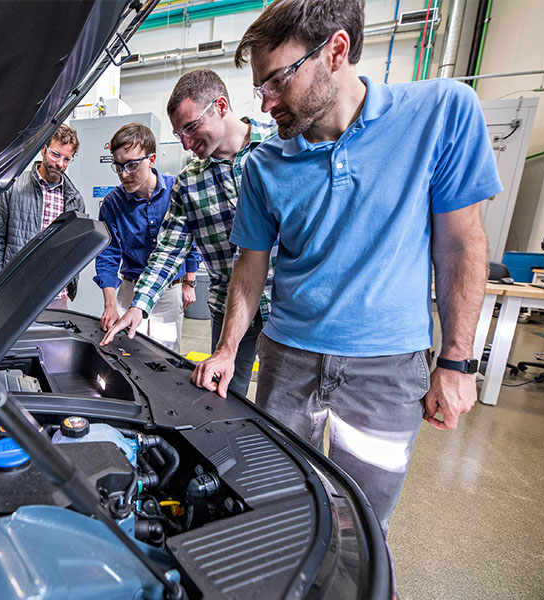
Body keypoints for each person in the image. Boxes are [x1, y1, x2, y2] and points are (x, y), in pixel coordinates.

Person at [191, 0, 502, 534]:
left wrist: (456, 362)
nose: (266, 103)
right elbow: (250, 266)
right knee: (282, 505)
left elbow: (460, 244)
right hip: (287, 362)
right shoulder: (265, 163)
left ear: (335, 51)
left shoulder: (441, 112)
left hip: (385, 371)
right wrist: (226, 349)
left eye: (277, 81)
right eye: (260, 87)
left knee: (365, 523)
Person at [101, 70, 276, 397]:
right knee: (226, 395)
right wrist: (138, 306)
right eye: (178, 134)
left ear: (220, 107)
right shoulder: (189, 182)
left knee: (278, 400)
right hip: (229, 306)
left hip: (287, 304)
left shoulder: (280, 147)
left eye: (191, 128)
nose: (185, 143)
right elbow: (169, 250)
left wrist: (189, 282)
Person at [94, 123, 201, 352]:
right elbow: (108, 254)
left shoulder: (176, 192)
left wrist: (189, 283)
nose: (124, 174)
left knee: (165, 355)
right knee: (126, 352)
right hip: (130, 290)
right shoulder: (113, 204)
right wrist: (110, 304)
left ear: (151, 159)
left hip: (169, 290)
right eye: (118, 166)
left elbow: (192, 242)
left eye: (132, 165)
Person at [0, 124, 84, 309]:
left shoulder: (74, 199)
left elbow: (76, 248)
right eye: (55, 155)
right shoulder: (12, 188)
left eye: (66, 159)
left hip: (56, 294)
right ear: (43, 149)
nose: (60, 164)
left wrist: (71, 283)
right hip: (15, 293)